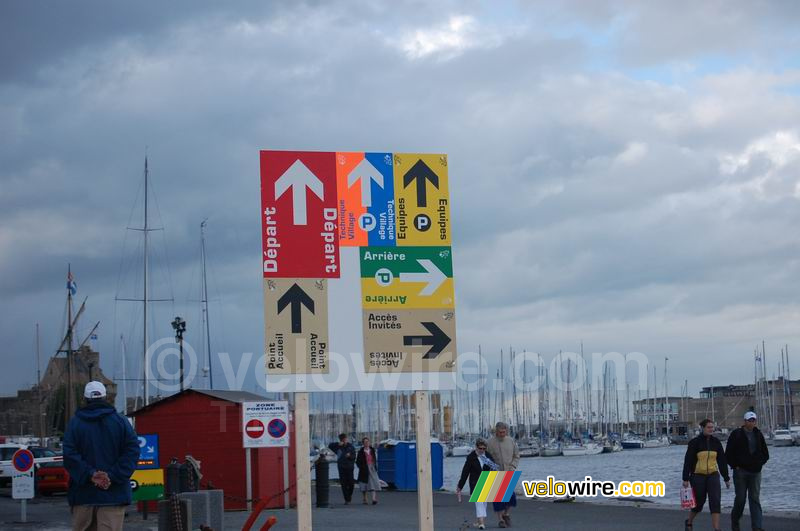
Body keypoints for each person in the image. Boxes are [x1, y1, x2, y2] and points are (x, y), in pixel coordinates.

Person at [63, 381, 140, 531]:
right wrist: (111, 476)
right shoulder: (121, 422)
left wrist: (90, 475)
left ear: (85, 399)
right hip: (113, 496)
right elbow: (132, 452)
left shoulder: (75, 424)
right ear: (105, 397)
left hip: (83, 496)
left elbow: (69, 455)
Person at [682, 419, 730, 531]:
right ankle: (689, 522)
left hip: (713, 475)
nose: (711, 429)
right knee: (699, 503)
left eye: (712, 427)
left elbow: (722, 461)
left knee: (715, 501)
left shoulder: (716, 442)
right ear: (702, 428)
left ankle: (716, 528)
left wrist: (726, 478)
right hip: (698, 476)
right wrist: (685, 478)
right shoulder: (695, 442)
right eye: (708, 427)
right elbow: (688, 461)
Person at [726, 411, 769, 531]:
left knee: (754, 498)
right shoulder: (736, 434)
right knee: (740, 498)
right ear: (744, 422)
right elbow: (728, 453)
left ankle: (757, 527)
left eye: (753, 420)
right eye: (750, 420)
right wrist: (735, 466)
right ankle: (735, 520)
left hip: (755, 472)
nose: (752, 422)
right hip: (740, 472)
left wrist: (760, 463)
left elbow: (765, 453)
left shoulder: (758, 434)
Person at [456, 438, 498, 530]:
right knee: (479, 502)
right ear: (476, 447)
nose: (482, 450)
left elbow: (495, 468)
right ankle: (481, 523)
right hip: (475, 482)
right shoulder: (471, 457)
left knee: (484, 502)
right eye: (480, 448)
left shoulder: (488, 456)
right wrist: (460, 486)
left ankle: (480, 520)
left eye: (484, 448)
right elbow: (465, 472)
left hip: (487, 481)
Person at [486, 422, 520, 528]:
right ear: (496, 431)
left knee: (511, 498)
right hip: (495, 473)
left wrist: (513, 467)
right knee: (497, 499)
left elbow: (516, 456)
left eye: (504, 432)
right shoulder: (490, 443)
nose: (502, 434)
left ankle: (506, 513)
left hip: (509, 472)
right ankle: (500, 520)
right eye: (500, 432)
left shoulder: (511, 441)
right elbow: (485, 458)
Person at [330, 433, 356, 504]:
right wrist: (337, 444)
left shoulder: (350, 447)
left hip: (349, 467)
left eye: (345, 439)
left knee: (351, 483)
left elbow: (354, 457)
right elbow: (329, 446)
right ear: (340, 440)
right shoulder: (338, 447)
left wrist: (350, 456)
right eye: (343, 440)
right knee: (343, 484)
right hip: (341, 467)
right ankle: (347, 499)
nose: (344, 441)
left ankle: (349, 496)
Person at [356, 437, 380, 505]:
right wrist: (361, 467)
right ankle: (365, 498)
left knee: (373, 482)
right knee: (364, 484)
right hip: (364, 469)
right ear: (363, 443)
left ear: (369, 442)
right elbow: (357, 462)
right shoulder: (361, 452)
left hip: (372, 468)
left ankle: (374, 499)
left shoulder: (372, 450)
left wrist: (375, 466)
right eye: (365, 442)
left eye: (367, 442)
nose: (367, 443)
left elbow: (374, 459)